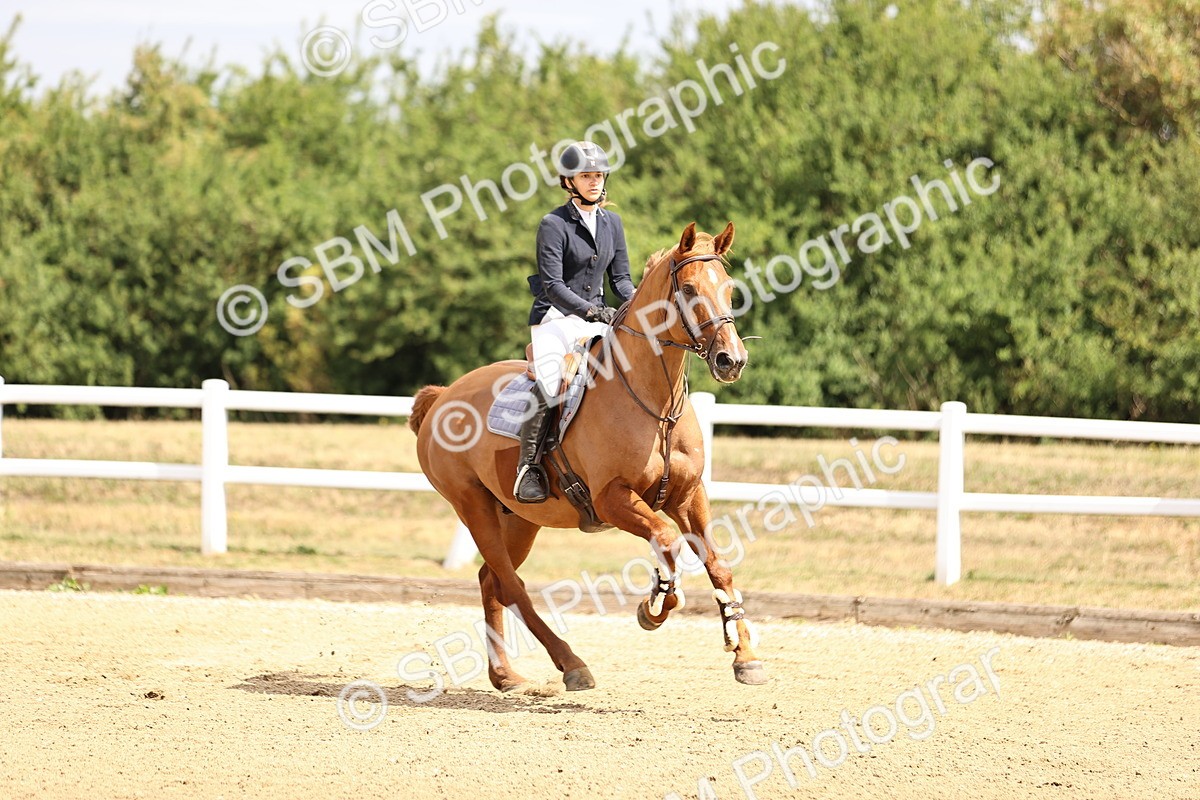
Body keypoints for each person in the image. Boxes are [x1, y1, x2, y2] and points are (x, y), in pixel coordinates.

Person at [514, 140, 636, 503]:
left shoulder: (612, 222)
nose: (594, 182)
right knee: (552, 382)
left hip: (597, 319)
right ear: (569, 181)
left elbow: (621, 281)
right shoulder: (553, 224)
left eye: (598, 175)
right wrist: (592, 312)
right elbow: (552, 286)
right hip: (556, 318)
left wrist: (643, 303)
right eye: (586, 176)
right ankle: (529, 467)